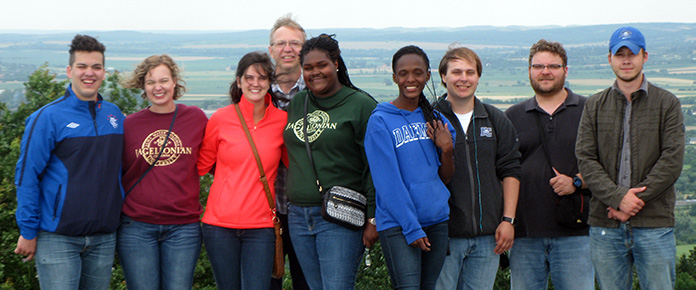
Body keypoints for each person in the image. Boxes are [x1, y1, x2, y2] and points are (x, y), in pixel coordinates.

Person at [576, 26, 685, 289]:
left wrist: (633, 202)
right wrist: (617, 198)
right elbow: (586, 158)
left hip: (654, 224)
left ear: (645, 56)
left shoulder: (667, 103)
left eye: (632, 53)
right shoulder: (594, 105)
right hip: (605, 224)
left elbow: (671, 162)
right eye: (619, 54)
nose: (626, 60)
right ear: (609, 59)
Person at [13, 34, 124, 289]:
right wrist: (28, 231)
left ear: (104, 72)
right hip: (57, 238)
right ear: (69, 71)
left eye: (96, 67)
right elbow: (27, 177)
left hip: (104, 237)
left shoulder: (114, 115)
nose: (89, 73)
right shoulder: (47, 118)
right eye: (82, 66)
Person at [283, 34, 378, 289]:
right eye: (308, 68)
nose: (315, 72)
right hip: (298, 217)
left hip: (339, 216)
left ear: (336, 62)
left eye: (321, 65)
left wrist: (373, 219)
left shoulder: (361, 105)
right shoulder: (299, 102)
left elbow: (374, 168)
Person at [504, 39, 593, 290]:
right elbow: (503, 171)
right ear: (530, 71)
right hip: (524, 235)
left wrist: (577, 181)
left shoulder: (589, 110)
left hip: (576, 234)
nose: (545, 71)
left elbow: (608, 164)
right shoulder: (512, 116)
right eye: (538, 66)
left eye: (553, 66)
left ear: (565, 70)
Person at [364, 45, 454, 289]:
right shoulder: (380, 121)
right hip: (398, 225)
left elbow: (444, 178)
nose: (411, 79)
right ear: (394, 77)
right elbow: (387, 182)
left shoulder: (436, 120)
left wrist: (447, 150)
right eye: (403, 73)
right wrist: (412, 228)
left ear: (427, 75)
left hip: (436, 221)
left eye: (418, 72)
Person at [197, 52, 287, 289]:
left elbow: (294, 164)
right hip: (219, 226)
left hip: (261, 227)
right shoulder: (220, 119)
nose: (255, 84)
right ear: (238, 81)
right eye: (249, 78)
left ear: (270, 83)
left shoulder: (282, 121)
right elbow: (200, 166)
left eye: (262, 78)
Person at [434, 46, 521, 290]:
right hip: (444, 236)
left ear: (478, 77)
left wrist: (508, 220)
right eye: (456, 72)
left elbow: (510, 170)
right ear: (444, 76)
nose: (464, 78)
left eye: (470, 72)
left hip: (488, 238)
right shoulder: (430, 119)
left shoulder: (495, 119)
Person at [118, 54, 207, 289]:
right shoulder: (129, 124)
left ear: (175, 82)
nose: (158, 87)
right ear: (143, 86)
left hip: (183, 227)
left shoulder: (196, 118)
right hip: (137, 226)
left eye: (163, 80)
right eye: (150, 82)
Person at [268, 14, 310, 290]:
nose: (287, 49)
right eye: (280, 43)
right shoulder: (255, 93)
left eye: (295, 43)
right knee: (266, 281)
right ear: (270, 50)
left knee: (306, 282)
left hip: (307, 208)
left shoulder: (319, 92)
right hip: (265, 209)